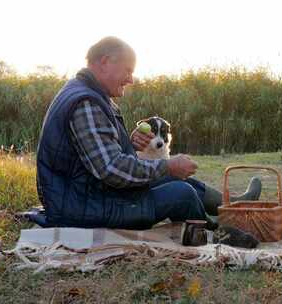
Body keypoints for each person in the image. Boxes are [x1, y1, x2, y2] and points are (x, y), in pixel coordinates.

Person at [36, 36, 261, 230]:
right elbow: (111, 168)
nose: (131, 79)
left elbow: (96, 154)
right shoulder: (87, 103)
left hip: (89, 195)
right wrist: (167, 165)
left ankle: (235, 205)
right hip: (82, 207)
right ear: (105, 62)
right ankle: (219, 230)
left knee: (172, 177)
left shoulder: (88, 93)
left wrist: (130, 143)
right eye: (128, 70)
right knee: (181, 193)